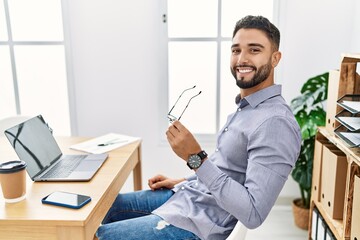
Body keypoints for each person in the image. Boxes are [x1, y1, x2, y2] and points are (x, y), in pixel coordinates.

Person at [96, 15, 301, 240]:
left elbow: (253, 213)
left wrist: (195, 157)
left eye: (254, 50)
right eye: (235, 50)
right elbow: (227, 170)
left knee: (98, 235)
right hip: (189, 196)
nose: (242, 59)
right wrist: (183, 180)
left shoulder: (276, 123)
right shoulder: (246, 109)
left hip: (200, 223)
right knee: (101, 208)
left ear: (275, 58)